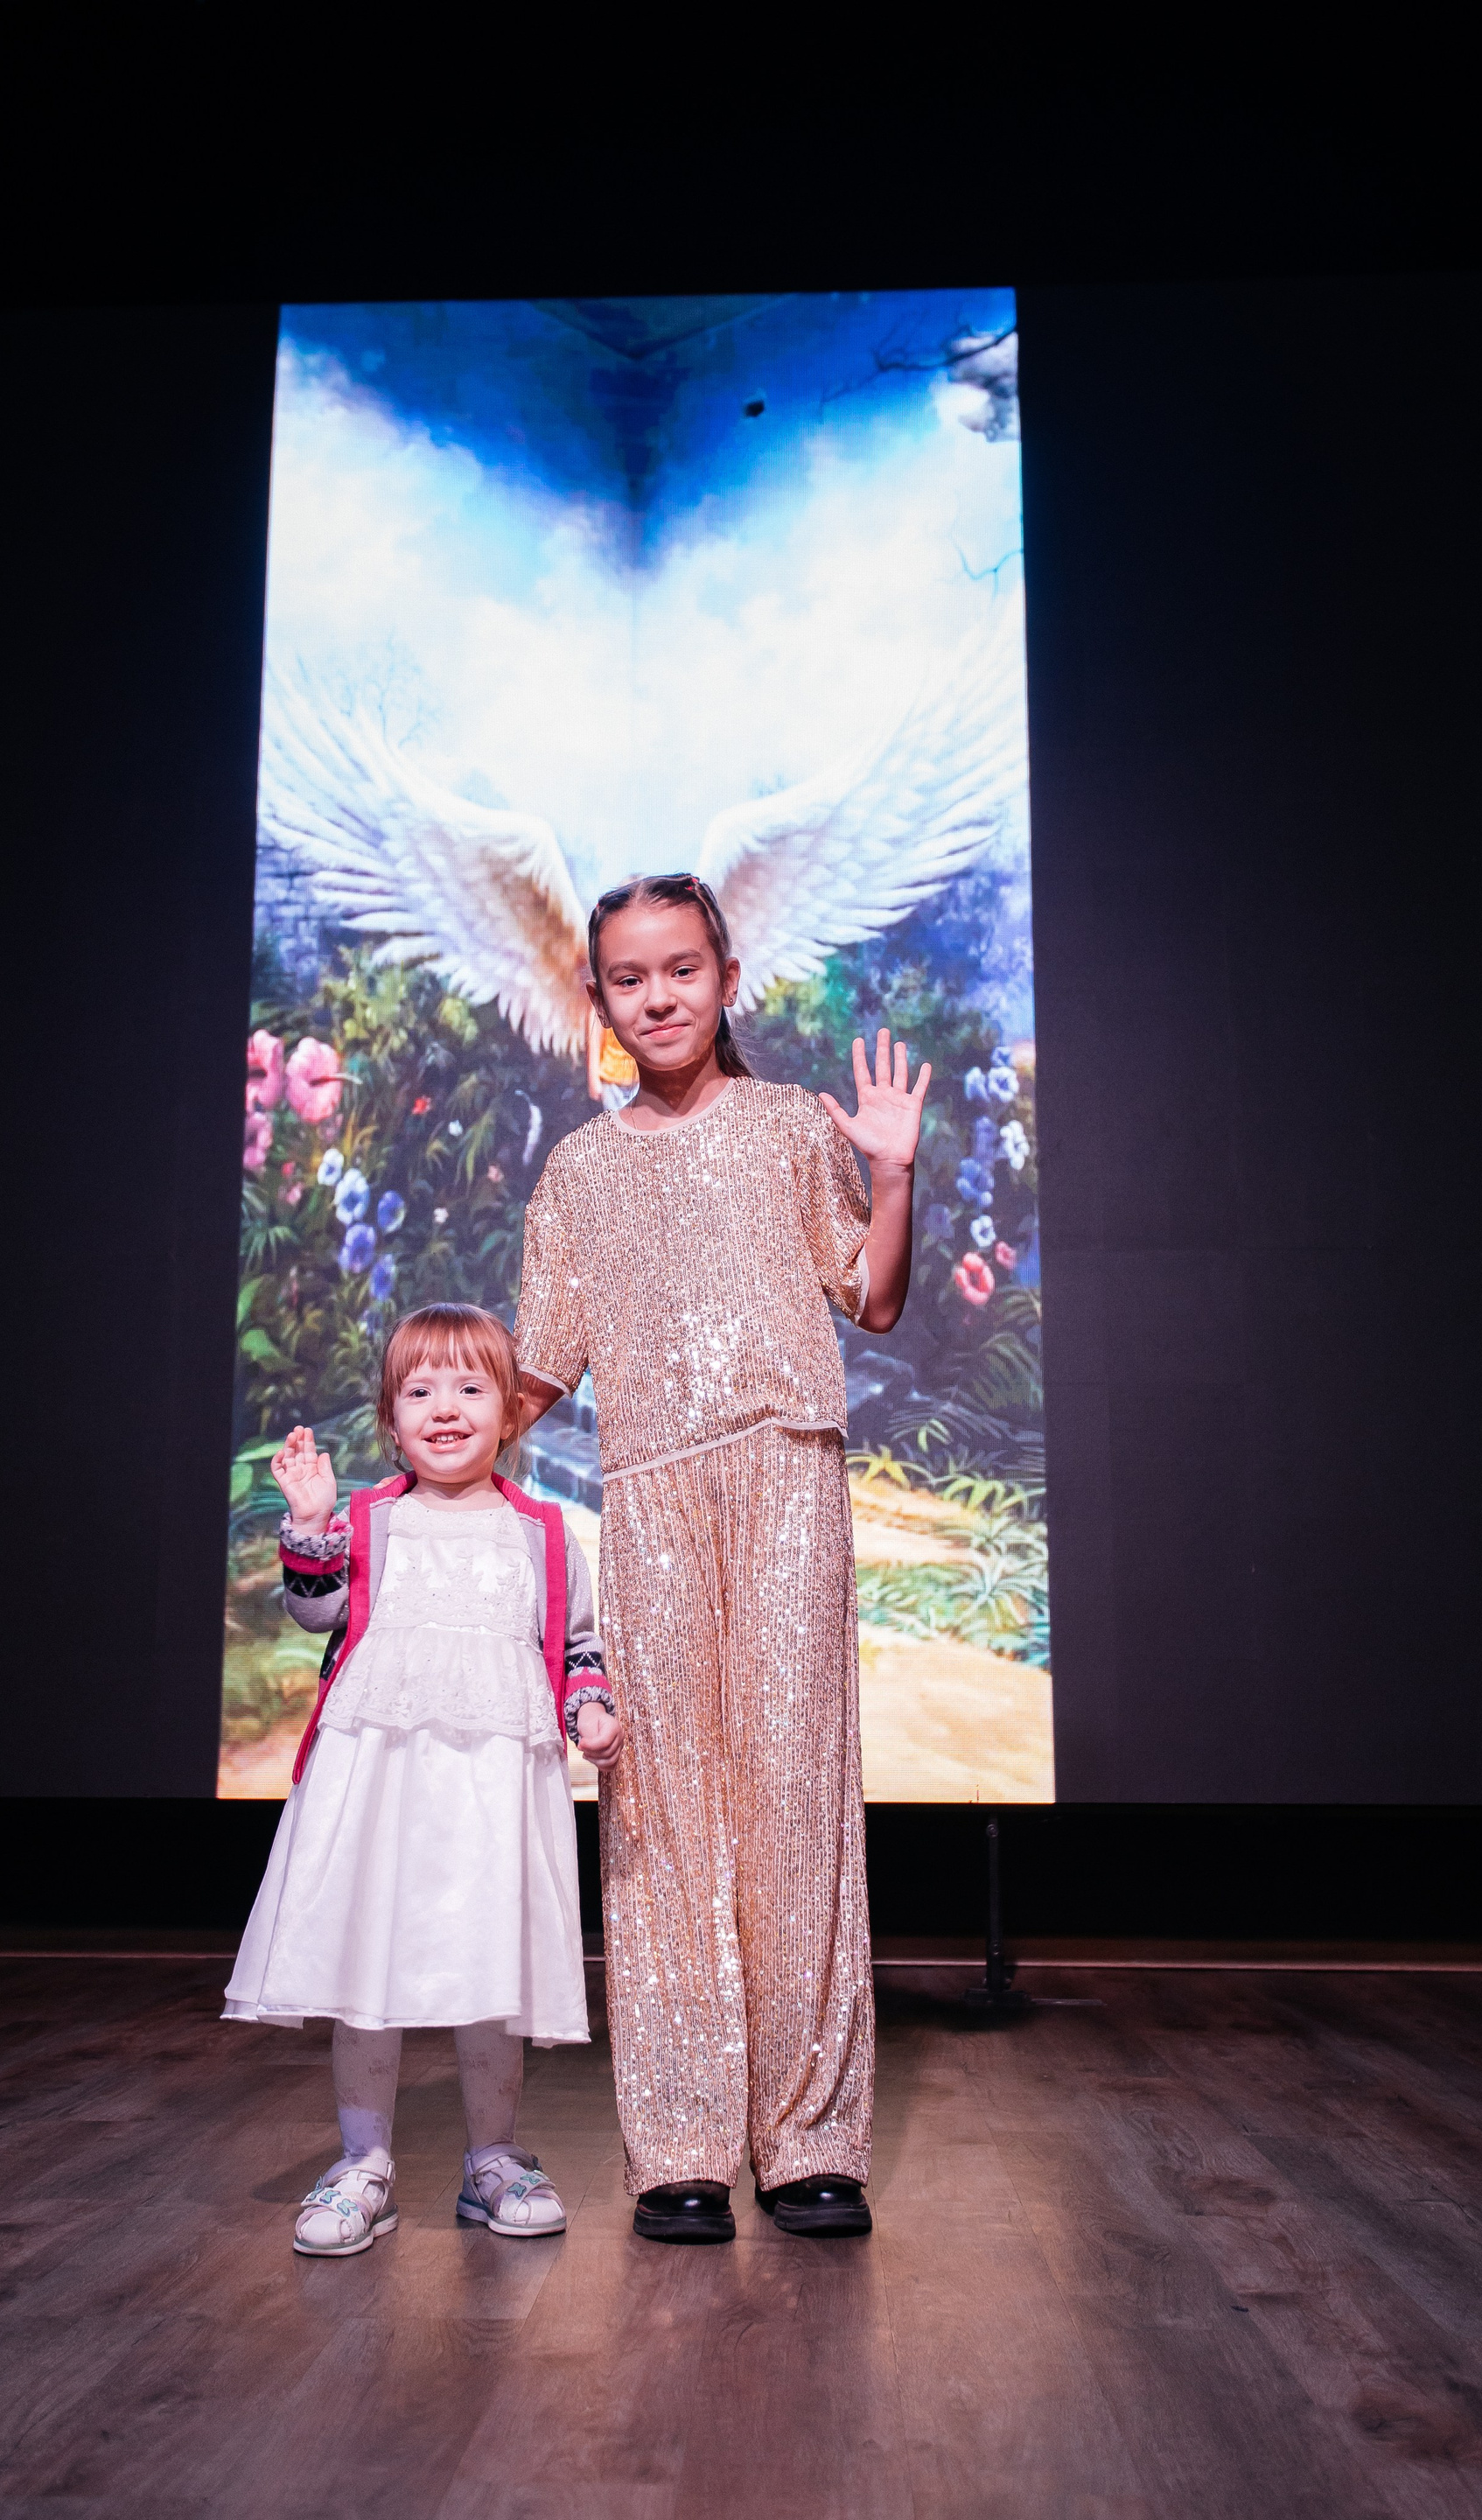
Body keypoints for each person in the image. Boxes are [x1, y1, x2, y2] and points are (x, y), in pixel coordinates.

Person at [512, 872, 928, 2242]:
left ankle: (810, 2142)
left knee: (797, 1802)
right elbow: (538, 1367)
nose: (659, 998)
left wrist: (892, 1173)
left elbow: (872, 1298)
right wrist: (431, 1446)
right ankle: (680, 2141)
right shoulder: (579, 1172)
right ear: (599, 1000)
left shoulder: (787, 1128)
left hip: (787, 1481)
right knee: (663, 1811)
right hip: (653, 1499)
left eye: (681, 969)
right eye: (629, 979)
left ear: (726, 977)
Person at [223, 1303, 624, 2257]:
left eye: (470, 1388)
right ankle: (363, 2165)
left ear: (511, 1412)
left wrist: (591, 1711)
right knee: (370, 1965)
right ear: (392, 1419)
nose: (445, 1408)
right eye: (420, 1391)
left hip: (493, 1798)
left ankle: (495, 2159)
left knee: (489, 1969)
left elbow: (578, 1647)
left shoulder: (542, 1533)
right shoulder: (371, 1520)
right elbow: (313, 1609)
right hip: (381, 1792)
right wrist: (310, 1521)